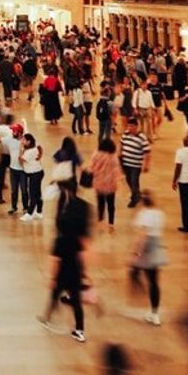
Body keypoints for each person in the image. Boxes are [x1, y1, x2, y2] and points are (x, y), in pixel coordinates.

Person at [38, 178, 90, 342]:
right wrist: (85, 272)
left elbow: (55, 260)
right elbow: (83, 252)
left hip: (63, 272)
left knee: (55, 293)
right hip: (75, 269)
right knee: (76, 301)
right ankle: (80, 330)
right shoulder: (76, 239)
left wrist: (52, 277)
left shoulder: (60, 241)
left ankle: (47, 317)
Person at [128, 190, 166, 326]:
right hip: (156, 245)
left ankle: (139, 291)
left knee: (134, 271)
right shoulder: (159, 213)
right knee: (154, 280)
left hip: (146, 247)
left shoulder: (143, 215)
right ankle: (154, 313)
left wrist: (136, 253)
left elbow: (141, 236)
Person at [88, 136, 121, 230]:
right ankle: (111, 224)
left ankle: (100, 220)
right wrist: (120, 180)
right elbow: (116, 170)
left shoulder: (96, 154)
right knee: (111, 205)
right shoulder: (113, 156)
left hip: (99, 183)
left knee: (100, 203)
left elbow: (91, 167)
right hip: (110, 184)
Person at [119, 117, 150, 208]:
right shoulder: (125, 134)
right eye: (129, 126)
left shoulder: (142, 137)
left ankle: (134, 199)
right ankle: (137, 194)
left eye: (132, 126)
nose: (129, 128)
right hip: (125, 163)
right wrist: (119, 155)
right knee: (129, 180)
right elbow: (121, 145)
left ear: (136, 126)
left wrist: (146, 164)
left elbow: (147, 152)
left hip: (136, 165)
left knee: (134, 181)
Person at [19, 132, 44, 221]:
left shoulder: (29, 152)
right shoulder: (33, 146)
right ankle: (39, 212)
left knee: (33, 193)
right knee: (37, 193)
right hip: (36, 173)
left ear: (28, 142)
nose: (22, 141)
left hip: (35, 174)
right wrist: (40, 155)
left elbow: (21, 160)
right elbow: (40, 147)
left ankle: (29, 213)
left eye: (24, 140)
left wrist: (21, 150)